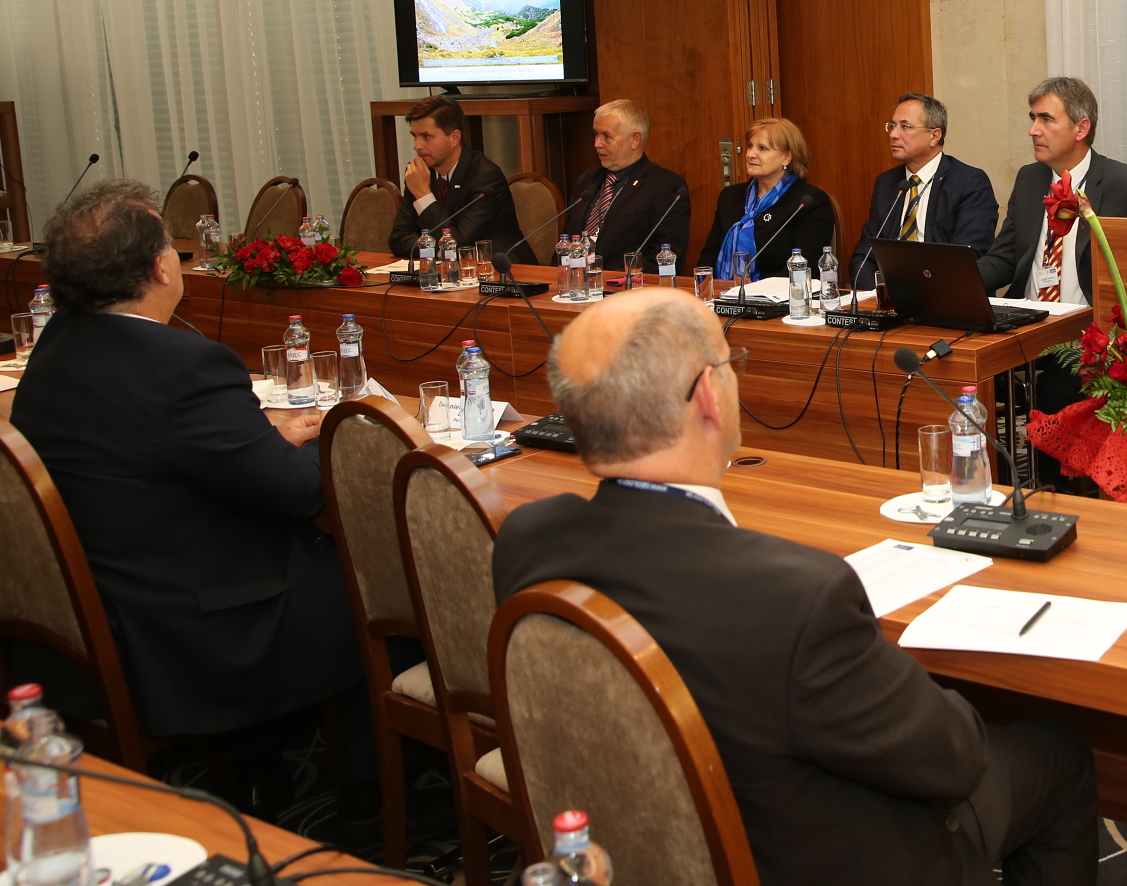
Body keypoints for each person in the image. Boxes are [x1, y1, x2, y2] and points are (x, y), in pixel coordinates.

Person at [492, 290, 1098, 886]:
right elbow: (954, 760)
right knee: (1057, 752)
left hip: (620, 850)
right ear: (709, 396)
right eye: (730, 364)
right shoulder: (793, 598)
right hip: (830, 859)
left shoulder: (527, 538)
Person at [7, 181, 360, 741]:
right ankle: (371, 784)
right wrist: (344, 436)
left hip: (92, 617)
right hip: (188, 637)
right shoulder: (185, 366)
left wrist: (261, 441)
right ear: (160, 269)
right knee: (380, 583)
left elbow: (151, 449)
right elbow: (298, 493)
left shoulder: (55, 347)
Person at [975, 78, 1127, 419]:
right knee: (958, 363)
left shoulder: (1122, 185)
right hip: (1026, 326)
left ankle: (1047, 456)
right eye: (1032, 118)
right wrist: (954, 282)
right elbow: (1004, 258)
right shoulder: (1030, 179)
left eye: (1046, 119)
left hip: (1086, 336)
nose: (1033, 130)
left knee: (1057, 389)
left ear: (1081, 128)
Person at [848, 93, 999, 285]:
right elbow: (864, 256)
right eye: (892, 126)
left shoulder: (969, 182)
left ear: (934, 136)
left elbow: (968, 256)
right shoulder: (886, 183)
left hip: (944, 292)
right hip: (889, 294)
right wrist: (878, 293)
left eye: (905, 127)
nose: (893, 134)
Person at [387, 96, 532, 262]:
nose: (417, 146)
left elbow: (456, 243)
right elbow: (398, 239)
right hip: (451, 269)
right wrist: (440, 252)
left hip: (503, 269)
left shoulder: (485, 176)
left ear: (454, 138)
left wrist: (423, 195)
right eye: (415, 136)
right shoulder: (419, 173)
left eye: (426, 136)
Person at [696, 117, 836, 282]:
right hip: (725, 294)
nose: (750, 155)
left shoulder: (808, 202)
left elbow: (803, 269)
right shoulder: (730, 197)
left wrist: (750, 291)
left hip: (779, 295)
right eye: (750, 146)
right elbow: (708, 260)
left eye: (762, 148)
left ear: (787, 157)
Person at [559, 99, 691, 267]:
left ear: (635, 139)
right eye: (596, 134)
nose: (597, 144)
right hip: (577, 280)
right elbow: (566, 244)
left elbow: (666, 259)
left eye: (606, 136)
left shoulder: (665, 186)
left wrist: (616, 279)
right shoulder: (586, 181)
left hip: (627, 281)